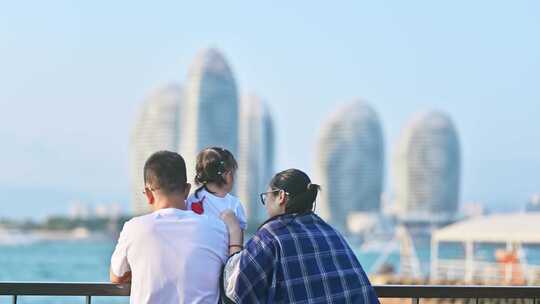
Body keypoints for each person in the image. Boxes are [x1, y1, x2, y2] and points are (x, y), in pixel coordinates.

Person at [221, 169, 380, 303]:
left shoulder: (273, 232)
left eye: (267, 196)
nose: (266, 204)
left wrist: (235, 233)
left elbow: (236, 285)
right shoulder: (330, 231)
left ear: (281, 197)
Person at [110, 151, 229, 303]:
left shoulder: (133, 228)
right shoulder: (217, 228)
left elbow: (117, 277)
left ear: (148, 193)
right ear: (186, 190)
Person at [187, 147, 247, 243]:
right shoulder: (234, 204)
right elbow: (239, 244)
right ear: (228, 175)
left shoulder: (192, 199)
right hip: (224, 257)